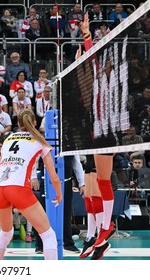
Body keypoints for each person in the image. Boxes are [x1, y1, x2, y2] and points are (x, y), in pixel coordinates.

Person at [0, 109, 62, 260]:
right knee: (48, 235)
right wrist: (59, 192)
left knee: (5, 233)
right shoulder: (39, 140)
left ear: (18, 123)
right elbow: (53, 176)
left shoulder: (8, 138)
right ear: (35, 123)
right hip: (18, 188)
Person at [76, 14, 116, 260]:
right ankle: (95, 237)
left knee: (102, 182)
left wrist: (88, 36)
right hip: (92, 131)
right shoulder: (94, 82)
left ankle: (105, 228)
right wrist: (86, 37)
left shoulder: (109, 81)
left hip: (107, 131)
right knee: (91, 189)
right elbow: (90, 64)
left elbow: (94, 61)